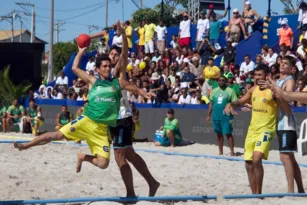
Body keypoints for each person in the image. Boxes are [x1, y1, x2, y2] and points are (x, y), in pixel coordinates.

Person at [14, 29, 153, 174]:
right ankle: (26, 145)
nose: (107, 68)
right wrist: (81, 51)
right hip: (87, 121)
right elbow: (74, 68)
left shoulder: (117, 83)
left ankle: (82, 156)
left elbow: (134, 89)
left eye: (109, 66)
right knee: (56, 135)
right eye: (104, 66)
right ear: (98, 69)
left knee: (103, 163)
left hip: (101, 130)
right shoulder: (93, 80)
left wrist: (144, 92)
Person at [109, 22, 160, 197]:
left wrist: (123, 35)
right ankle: (152, 183)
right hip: (113, 119)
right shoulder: (105, 74)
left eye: (116, 54)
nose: (114, 56)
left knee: (119, 156)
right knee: (129, 155)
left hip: (123, 117)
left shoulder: (119, 71)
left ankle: (130, 194)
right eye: (112, 54)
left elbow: (124, 54)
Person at [224, 64, 278, 194]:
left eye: (260, 75)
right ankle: (254, 194)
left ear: (267, 75)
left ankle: (258, 194)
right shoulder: (253, 90)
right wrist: (230, 104)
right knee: (248, 163)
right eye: (256, 75)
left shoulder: (273, 90)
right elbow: (241, 101)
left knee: (256, 159)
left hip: (267, 129)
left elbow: (284, 101)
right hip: (252, 129)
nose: (257, 78)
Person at [260, 56, 305, 193]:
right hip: (280, 120)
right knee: (290, 157)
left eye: (286, 64)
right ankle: (301, 190)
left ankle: (291, 191)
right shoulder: (278, 81)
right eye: (282, 63)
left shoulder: (289, 80)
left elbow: (286, 103)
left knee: (285, 156)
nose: (282, 65)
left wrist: (274, 90)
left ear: (292, 69)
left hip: (286, 120)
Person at [207, 76, 237, 156]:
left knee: (228, 133)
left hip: (226, 116)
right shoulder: (214, 91)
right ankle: (220, 152)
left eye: (223, 80)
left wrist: (232, 108)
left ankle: (232, 152)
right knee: (219, 134)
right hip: (216, 115)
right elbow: (211, 104)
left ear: (226, 82)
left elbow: (235, 103)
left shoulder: (230, 91)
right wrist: (208, 115)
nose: (221, 81)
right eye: (219, 80)